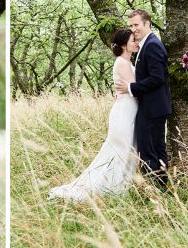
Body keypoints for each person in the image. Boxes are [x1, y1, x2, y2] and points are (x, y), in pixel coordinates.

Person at [48, 28, 139, 201]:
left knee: (127, 150)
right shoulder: (122, 63)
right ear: (123, 45)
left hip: (130, 110)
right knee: (120, 150)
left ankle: (119, 186)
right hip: (124, 111)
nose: (136, 42)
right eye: (132, 39)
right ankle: (110, 188)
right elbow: (136, 90)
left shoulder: (128, 63)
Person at [116, 9, 172, 187]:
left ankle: (157, 189)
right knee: (154, 148)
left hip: (153, 108)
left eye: (136, 25)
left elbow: (157, 78)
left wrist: (130, 87)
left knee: (149, 150)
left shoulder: (153, 45)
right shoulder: (146, 44)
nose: (133, 29)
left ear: (147, 23)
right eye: (131, 25)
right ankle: (160, 186)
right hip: (152, 107)